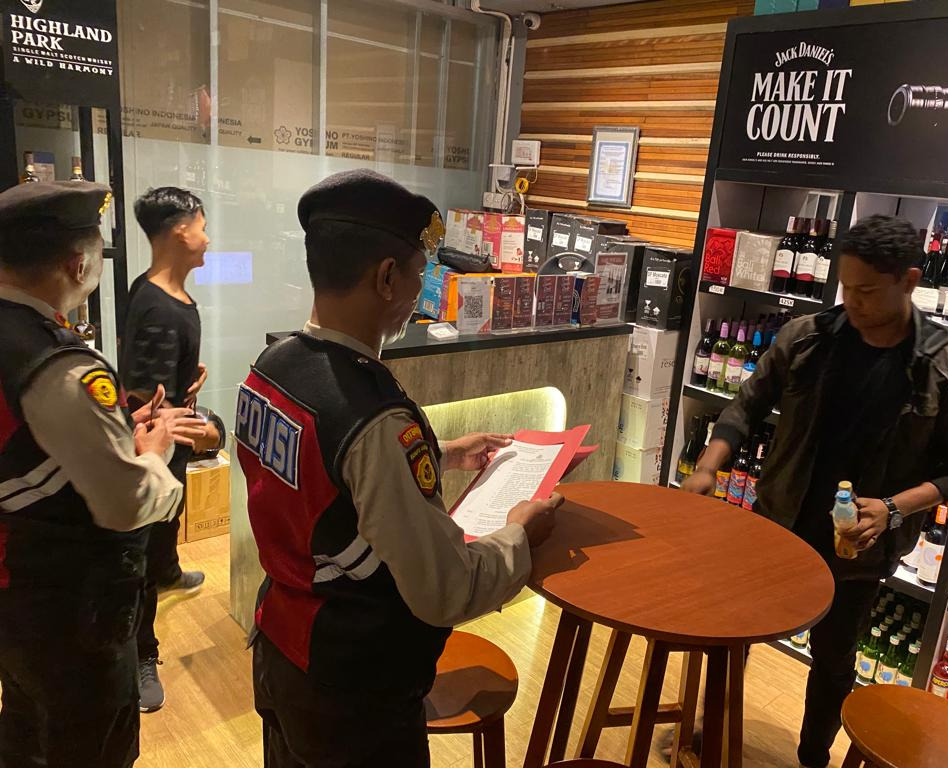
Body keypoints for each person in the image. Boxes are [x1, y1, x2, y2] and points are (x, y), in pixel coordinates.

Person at [237, 169, 562, 768]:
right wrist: (519, 534)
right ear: (387, 277)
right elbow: (444, 588)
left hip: (280, 651)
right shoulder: (376, 416)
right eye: (419, 273)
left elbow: (320, 483)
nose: (421, 290)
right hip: (353, 694)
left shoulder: (271, 366)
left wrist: (441, 454)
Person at [681, 214, 948, 768]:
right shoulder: (807, 338)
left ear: (910, 280)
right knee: (737, 632)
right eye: (846, 287)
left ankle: (813, 757)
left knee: (832, 659)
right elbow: (747, 405)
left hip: (859, 548)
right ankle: (713, 732)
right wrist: (708, 466)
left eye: (867, 290)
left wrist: (895, 508)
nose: (853, 302)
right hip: (779, 522)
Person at [0, 180, 201, 767]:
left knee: (26, 729)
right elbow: (126, 502)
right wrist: (152, 452)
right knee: (91, 743)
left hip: (17, 582)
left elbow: (33, 445)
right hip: (69, 605)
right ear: (77, 263)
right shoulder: (61, 365)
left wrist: (110, 431)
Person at [119, 187, 214, 712]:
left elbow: (155, 375)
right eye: (202, 226)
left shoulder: (165, 294)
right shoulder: (157, 304)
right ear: (180, 231)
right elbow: (142, 398)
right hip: (154, 446)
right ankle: (143, 654)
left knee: (167, 526)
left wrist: (187, 381)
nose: (207, 238)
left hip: (172, 439)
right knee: (143, 549)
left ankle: (170, 569)